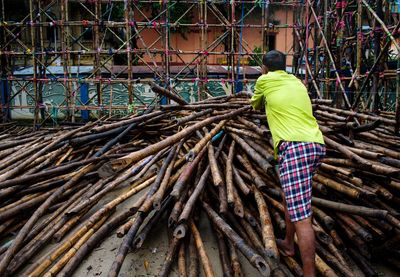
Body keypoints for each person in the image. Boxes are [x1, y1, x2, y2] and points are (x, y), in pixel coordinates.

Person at [250, 50, 325, 277]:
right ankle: (289, 243)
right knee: (289, 197)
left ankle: (309, 272)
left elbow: (255, 105)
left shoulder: (264, 80)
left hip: (295, 148)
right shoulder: (297, 82)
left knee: (303, 217)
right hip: (316, 144)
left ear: (264, 67)